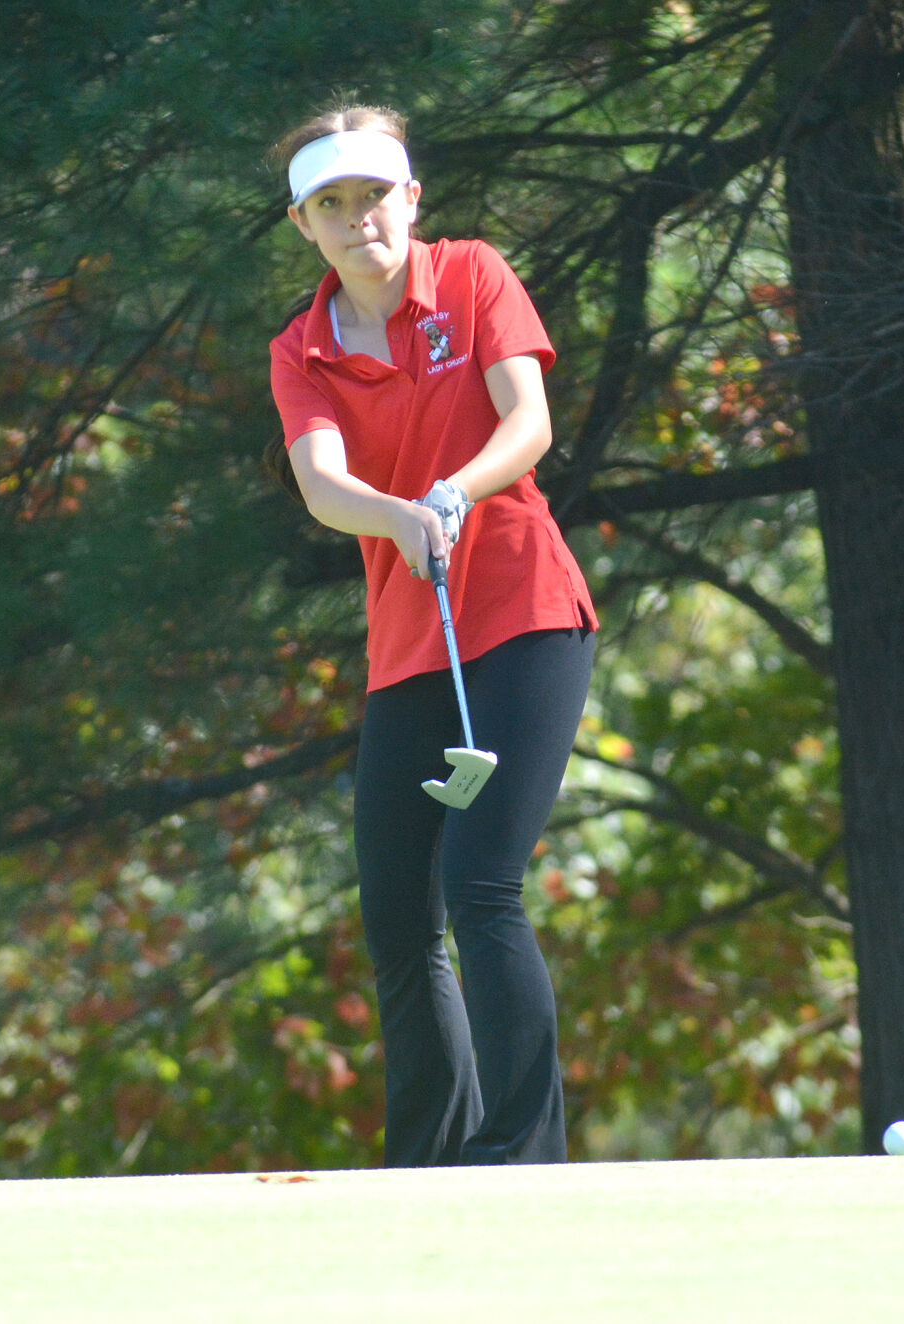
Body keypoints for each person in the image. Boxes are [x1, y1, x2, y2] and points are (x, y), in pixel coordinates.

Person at [267, 102, 597, 1166]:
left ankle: (522, 1150)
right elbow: (323, 486)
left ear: (410, 200)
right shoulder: (302, 348)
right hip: (412, 647)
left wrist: (450, 491)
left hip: (526, 613)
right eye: (332, 202)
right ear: (303, 225)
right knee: (399, 914)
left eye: (374, 194)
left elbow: (529, 421)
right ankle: (426, 1161)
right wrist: (399, 516)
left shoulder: (471, 275)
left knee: (482, 879)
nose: (357, 216)